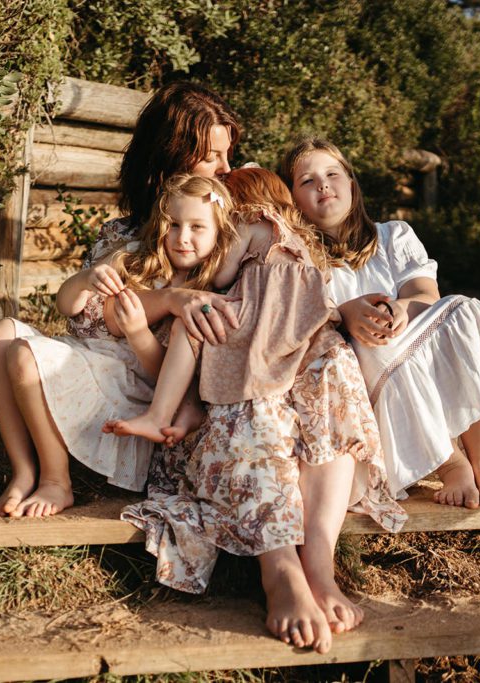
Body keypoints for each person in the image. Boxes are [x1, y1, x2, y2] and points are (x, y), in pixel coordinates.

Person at [120, 167, 407, 654]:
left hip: (290, 354)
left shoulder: (256, 240)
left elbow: (297, 298)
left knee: (333, 370)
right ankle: (284, 573)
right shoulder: (188, 270)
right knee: (257, 406)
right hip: (241, 388)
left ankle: (320, 567)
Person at [0, 81, 242, 518]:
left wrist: (167, 305)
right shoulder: (123, 235)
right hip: (90, 356)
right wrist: (100, 280)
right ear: (173, 152)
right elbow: (75, 309)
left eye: (227, 154)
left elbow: (175, 355)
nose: (225, 167)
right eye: (213, 155)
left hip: (128, 382)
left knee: (25, 353)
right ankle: (24, 471)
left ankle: (55, 481)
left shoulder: (211, 247)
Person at [280, 137, 480, 509]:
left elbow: (426, 293)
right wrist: (346, 312)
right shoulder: (302, 262)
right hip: (367, 374)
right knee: (372, 346)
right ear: (293, 199)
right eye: (307, 181)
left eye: (332, 174)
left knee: (463, 307)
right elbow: (307, 323)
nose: (323, 185)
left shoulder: (392, 236)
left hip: (414, 341)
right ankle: (452, 464)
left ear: (351, 184)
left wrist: (403, 309)